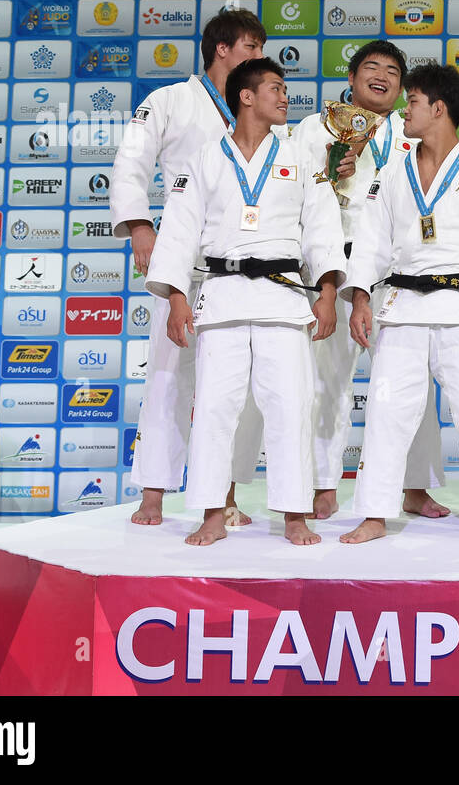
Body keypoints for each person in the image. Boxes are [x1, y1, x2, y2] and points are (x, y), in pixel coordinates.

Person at [146, 57, 345, 546]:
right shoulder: (205, 157)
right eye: (275, 88)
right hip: (223, 295)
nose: (285, 97)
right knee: (214, 407)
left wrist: (327, 291)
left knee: (290, 406)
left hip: (283, 296)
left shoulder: (300, 157)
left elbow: (321, 228)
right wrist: (176, 297)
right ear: (246, 96)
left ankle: (293, 514)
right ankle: (212, 512)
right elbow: (179, 231)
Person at [339, 63, 459, 546]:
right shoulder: (391, 171)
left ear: (438, 108)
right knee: (385, 412)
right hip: (401, 307)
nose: (405, 109)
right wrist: (361, 297)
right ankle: (375, 513)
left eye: (414, 101)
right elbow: (371, 243)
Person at [110, 9, 270, 527]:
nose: (259, 57)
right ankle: (153, 492)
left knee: (235, 384)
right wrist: (139, 226)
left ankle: (225, 494)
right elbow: (131, 162)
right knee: (167, 374)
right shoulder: (171, 101)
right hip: (182, 256)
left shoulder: (259, 110)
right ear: (221, 48)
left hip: (244, 262)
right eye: (250, 46)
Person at [289, 41, 448, 522]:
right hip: (336, 267)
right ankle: (322, 483)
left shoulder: (411, 129)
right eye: (372, 67)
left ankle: (414, 486)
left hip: (398, 272)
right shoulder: (314, 127)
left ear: (402, 88)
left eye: (393, 72)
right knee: (327, 379)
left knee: (411, 381)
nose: (382, 76)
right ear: (353, 76)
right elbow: (293, 191)